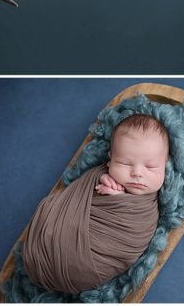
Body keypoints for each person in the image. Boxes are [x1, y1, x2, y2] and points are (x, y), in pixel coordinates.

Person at [21, 114, 166, 293]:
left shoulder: (148, 207)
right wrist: (100, 179)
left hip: (88, 266)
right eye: (124, 163)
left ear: (165, 164)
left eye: (151, 166)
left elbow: (138, 228)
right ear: (110, 158)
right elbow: (77, 191)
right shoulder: (99, 175)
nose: (137, 173)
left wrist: (120, 200)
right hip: (46, 243)